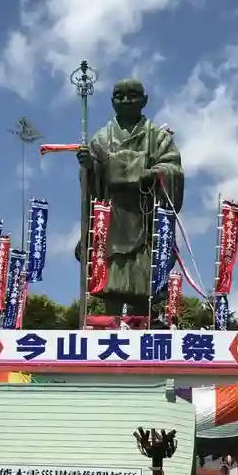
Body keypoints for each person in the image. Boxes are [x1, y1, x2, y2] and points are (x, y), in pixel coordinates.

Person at [76, 79, 184, 316]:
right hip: (113, 216)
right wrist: (89, 167)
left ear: (144, 100)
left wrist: (154, 173)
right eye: (119, 96)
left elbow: (173, 168)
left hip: (145, 215)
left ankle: (143, 322)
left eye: (132, 95)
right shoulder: (101, 139)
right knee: (112, 279)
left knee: (143, 280)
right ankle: (111, 321)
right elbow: (92, 180)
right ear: (112, 102)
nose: (126, 100)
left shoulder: (158, 137)